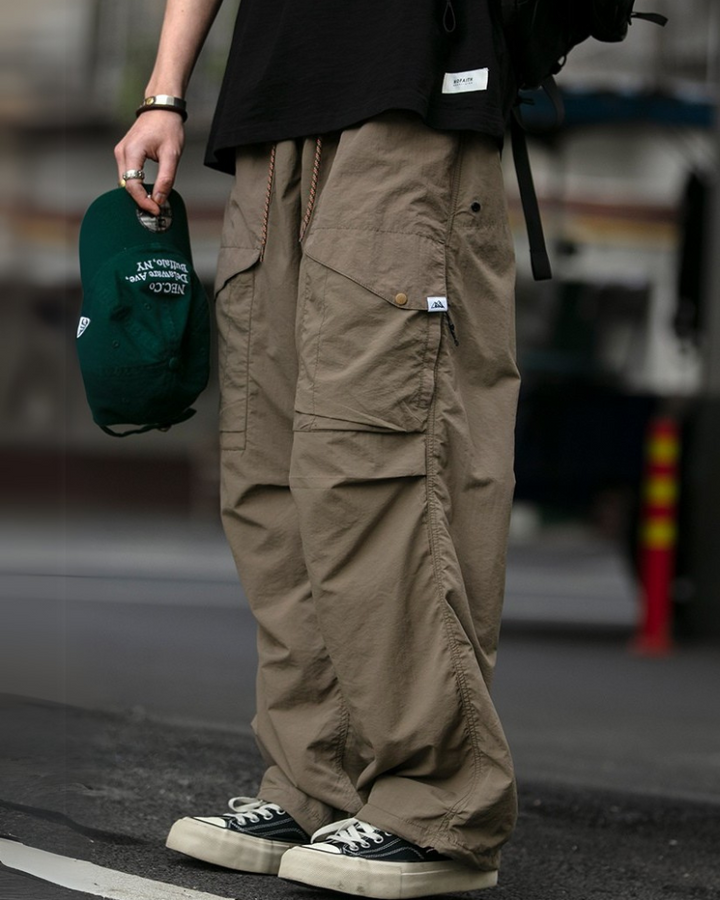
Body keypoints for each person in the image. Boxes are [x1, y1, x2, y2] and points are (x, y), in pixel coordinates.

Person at [114, 1, 520, 896]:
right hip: (269, 109)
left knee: (371, 456)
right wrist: (165, 94)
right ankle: (314, 776)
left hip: (410, 92)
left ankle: (437, 802)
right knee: (268, 469)